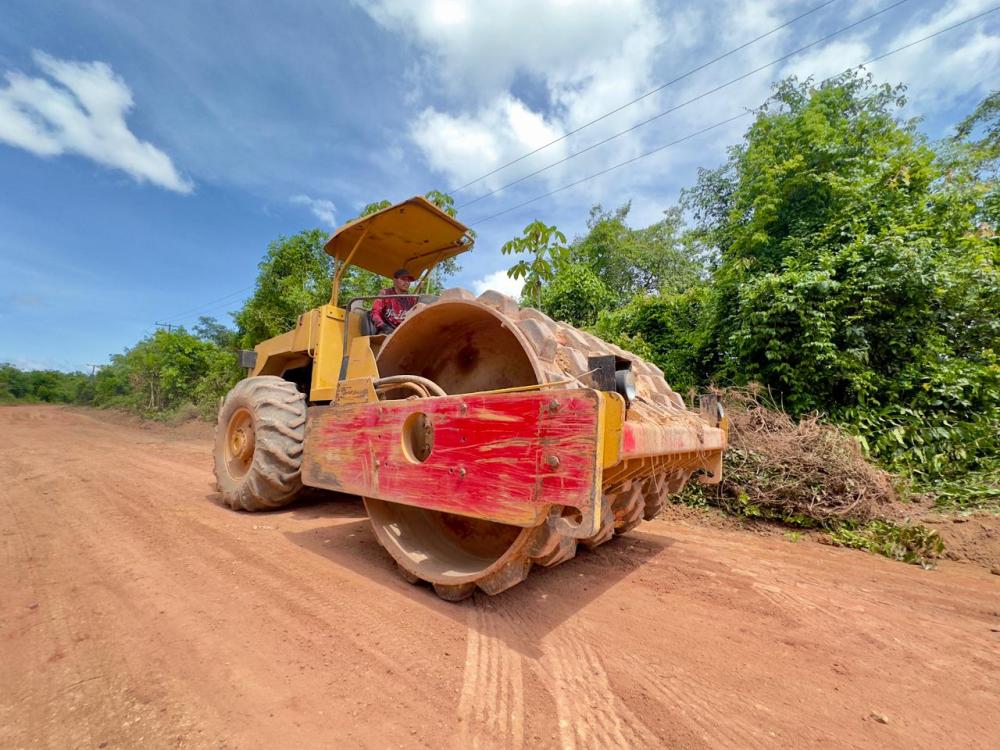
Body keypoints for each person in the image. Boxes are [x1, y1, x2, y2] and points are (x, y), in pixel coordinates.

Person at [371, 268, 417, 334]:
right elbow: (375, 312)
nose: (406, 282)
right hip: (387, 330)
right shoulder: (385, 293)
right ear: (394, 280)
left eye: (408, 281)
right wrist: (383, 326)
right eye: (403, 279)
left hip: (405, 331)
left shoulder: (412, 298)